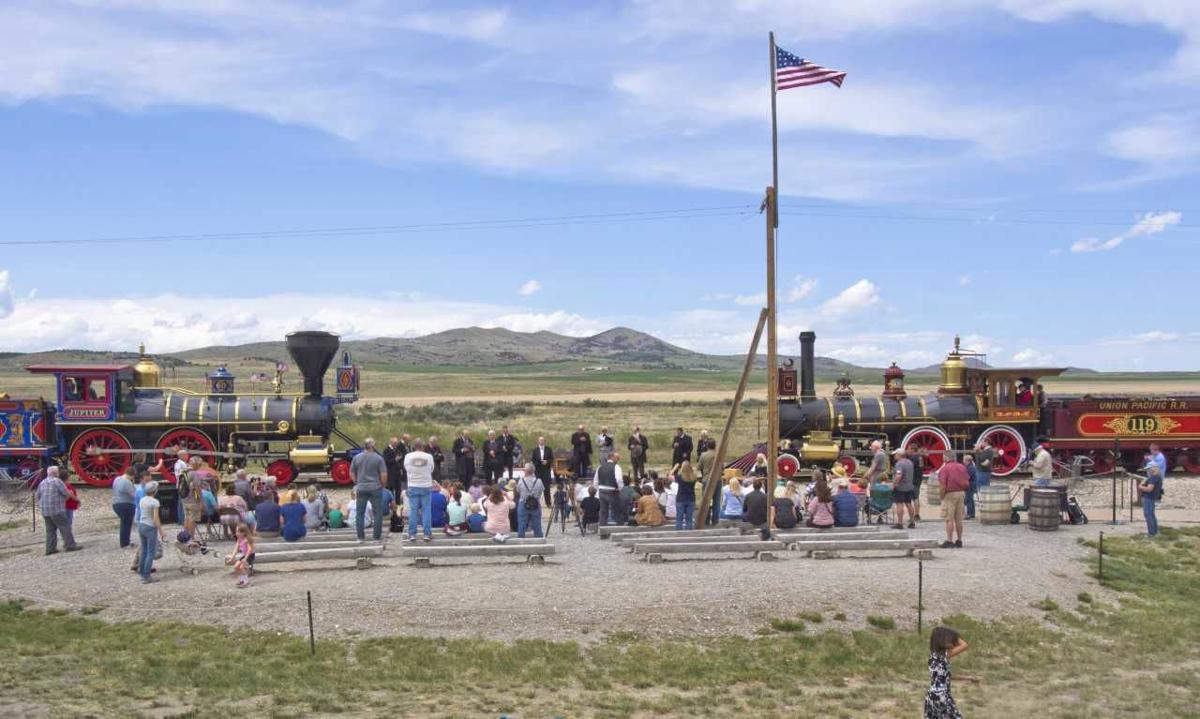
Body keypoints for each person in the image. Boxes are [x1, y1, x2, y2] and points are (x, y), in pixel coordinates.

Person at [925, 626, 969, 719]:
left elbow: (942, 676)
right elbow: (964, 645)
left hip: (931, 697)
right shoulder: (944, 655)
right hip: (942, 696)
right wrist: (954, 635)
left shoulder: (933, 656)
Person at [37, 467, 81, 555]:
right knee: (65, 527)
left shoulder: (43, 482)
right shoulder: (57, 481)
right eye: (57, 472)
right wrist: (76, 499)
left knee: (50, 530)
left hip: (45, 510)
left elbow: (38, 495)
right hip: (57, 509)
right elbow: (66, 492)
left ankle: (50, 548)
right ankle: (70, 545)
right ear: (55, 473)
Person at [351, 437, 387, 542]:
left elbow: (352, 472)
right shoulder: (378, 458)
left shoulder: (357, 458)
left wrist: (356, 482)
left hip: (361, 487)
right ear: (373, 446)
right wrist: (383, 485)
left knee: (360, 513)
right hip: (375, 487)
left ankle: (360, 537)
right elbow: (383, 474)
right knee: (377, 512)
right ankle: (376, 536)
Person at [405, 439, 437, 542]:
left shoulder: (408, 456)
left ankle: (412, 534)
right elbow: (432, 468)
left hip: (413, 484)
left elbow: (406, 468)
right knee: (426, 510)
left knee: (413, 510)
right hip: (426, 485)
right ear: (423, 447)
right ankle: (427, 534)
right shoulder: (429, 457)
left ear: (414, 447)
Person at [937, 451, 970, 549]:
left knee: (949, 518)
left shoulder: (945, 469)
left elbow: (943, 485)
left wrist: (941, 496)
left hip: (950, 494)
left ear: (946, 458)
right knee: (959, 519)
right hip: (961, 493)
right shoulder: (962, 467)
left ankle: (949, 540)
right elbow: (967, 480)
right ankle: (959, 540)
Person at [136, 481, 165, 583]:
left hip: (141, 525)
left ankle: (142, 572)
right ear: (155, 491)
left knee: (144, 550)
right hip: (150, 527)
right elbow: (155, 518)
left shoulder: (142, 500)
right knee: (150, 552)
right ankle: (146, 576)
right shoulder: (155, 502)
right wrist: (161, 531)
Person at [515, 462, 545, 538]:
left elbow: (518, 491)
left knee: (522, 524)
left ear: (525, 471)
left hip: (523, 503)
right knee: (537, 524)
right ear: (533, 471)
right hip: (535, 503)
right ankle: (539, 541)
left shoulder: (521, 481)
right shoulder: (539, 481)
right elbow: (541, 491)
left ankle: (520, 541)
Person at [593, 451, 623, 526]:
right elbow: (618, 479)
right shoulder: (616, 467)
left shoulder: (600, 467)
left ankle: (603, 531)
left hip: (601, 490)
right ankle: (620, 529)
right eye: (617, 457)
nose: (618, 459)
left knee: (603, 512)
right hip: (612, 491)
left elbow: (595, 480)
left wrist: (598, 489)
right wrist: (619, 488)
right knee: (617, 511)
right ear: (611, 457)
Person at [111, 467, 137, 548]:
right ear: (132, 475)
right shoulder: (127, 482)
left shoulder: (117, 479)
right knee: (126, 525)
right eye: (133, 477)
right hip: (125, 504)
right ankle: (125, 543)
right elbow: (133, 495)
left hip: (115, 503)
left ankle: (125, 542)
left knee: (124, 524)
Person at [891, 448, 916, 530]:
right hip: (909, 486)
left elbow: (899, 475)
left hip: (900, 487)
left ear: (899, 455)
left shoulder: (899, 464)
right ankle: (912, 522)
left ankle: (900, 523)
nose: (894, 456)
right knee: (909, 504)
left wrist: (894, 484)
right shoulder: (910, 462)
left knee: (899, 504)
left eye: (895, 454)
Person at [227, 523, 255, 589]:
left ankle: (246, 581)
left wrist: (245, 559)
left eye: (238, 532)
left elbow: (250, 550)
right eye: (236, 531)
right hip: (245, 555)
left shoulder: (246, 539)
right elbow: (236, 549)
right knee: (236, 567)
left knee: (242, 567)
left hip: (250, 555)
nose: (236, 533)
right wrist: (232, 557)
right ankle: (242, 579)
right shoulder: (239, 539)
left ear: (244, 533)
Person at [1139, 463, 1164, 537]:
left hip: (1149, 497)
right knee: (1151, 515)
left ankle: (1151, 533)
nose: (1147, 471)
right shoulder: (1157, 476)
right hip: (1152, 497)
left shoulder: (1153, 477)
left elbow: (1149, 489)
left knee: (1148, 514)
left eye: (1148, 469)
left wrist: (1140, 487)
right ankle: (1155, 531)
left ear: (1152, 469)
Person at [673, 462, 698, 530]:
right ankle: (689, 532)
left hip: (681, 498)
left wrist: (675, 468)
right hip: (691, 498)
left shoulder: (679, 477)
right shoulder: (693, 477)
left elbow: (670, 476)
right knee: (689, 518)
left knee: (679, 517)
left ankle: (678, 532)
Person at [531, 436, 555, 505]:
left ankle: (548, 503)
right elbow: (533, 460)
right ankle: (535, 503)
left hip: (546, 471)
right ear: (538, 441)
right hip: (538, 471)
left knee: (547, 488)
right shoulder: (535, 450)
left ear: (544, 441)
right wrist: (538, 463)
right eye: (540, 440)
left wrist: (547, 462)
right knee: (537, 488)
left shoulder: (548, 449)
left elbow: (551, 459)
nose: (541, 441)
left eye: (542, 440)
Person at [963, 454, 978, 520]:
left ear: (968, 461)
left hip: (970, 485)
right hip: (972, 485)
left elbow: (967, 476)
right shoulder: (971, 467)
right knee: (971, 500)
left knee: (969, 499)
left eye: (964, 460)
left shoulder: (970, 468)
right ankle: (972, 514)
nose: (963, 462)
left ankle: (969, 514)